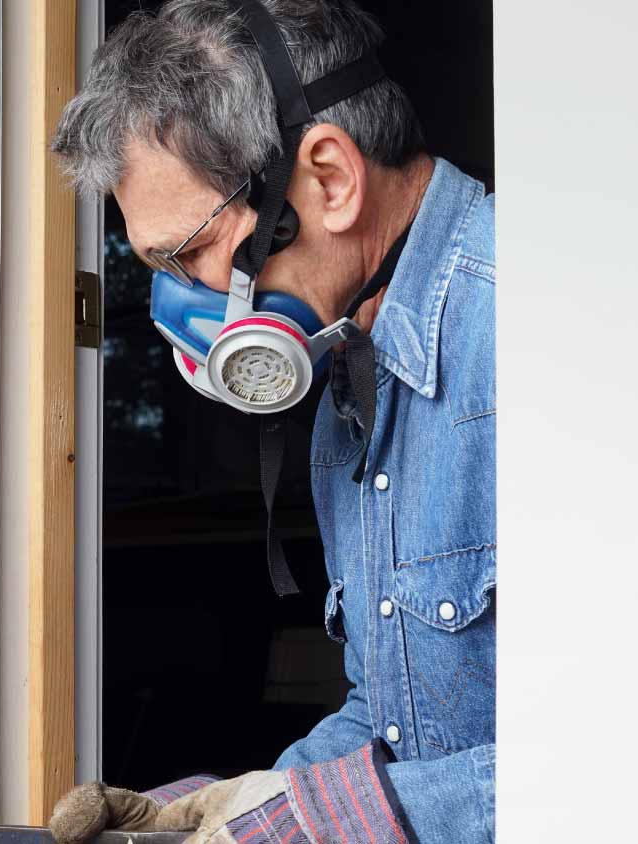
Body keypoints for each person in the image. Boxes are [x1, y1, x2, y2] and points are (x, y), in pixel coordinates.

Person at [48, 1, 495, 843]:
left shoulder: (551, 346)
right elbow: (397, 723)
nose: (182, 304)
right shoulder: (349, 370)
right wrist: (244, 804)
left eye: (186, 254)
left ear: (327, 179)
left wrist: (330, 829)